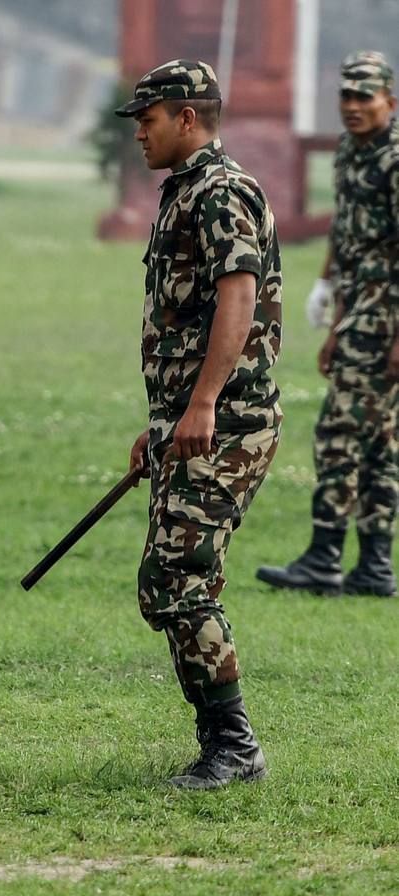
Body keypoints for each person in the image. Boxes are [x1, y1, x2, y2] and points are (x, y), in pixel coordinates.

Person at [118, 60, 282, 789]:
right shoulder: (185, 192)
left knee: (176, 577)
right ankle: (224, 740)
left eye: (148, 121)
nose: (140, 136)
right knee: (172, 579)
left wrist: (205, 402)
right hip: (193, 421)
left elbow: (237, 301)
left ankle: (234, 747)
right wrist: (164, 420)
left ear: (188, 117)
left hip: (230, 421)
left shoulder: (219, 192)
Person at [257, 52, 399, 598]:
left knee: (339, 432)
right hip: (360, 306)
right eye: (346, 95)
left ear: (390, 99)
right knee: (377, 439)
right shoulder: (350, 152)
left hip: (388, 313)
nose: (354, 106)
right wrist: (332, 308)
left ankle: (324, 557)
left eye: (366, 95)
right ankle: (376, 565)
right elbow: (346, 235)